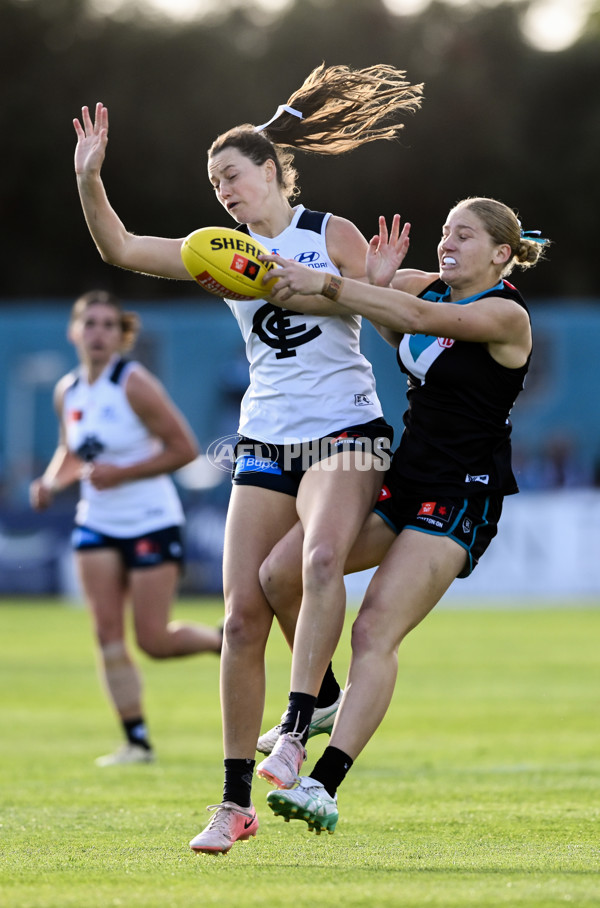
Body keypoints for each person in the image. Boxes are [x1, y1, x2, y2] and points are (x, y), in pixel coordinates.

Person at [71, 63, 424, 852]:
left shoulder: (331, 232)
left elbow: (359, 299)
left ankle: (298, 730)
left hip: (346, 431)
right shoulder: (215, 250)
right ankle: (233, 804)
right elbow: (121, 246)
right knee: (239, 618)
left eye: (232, 176)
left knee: (322, 557)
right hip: (264, 438)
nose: (223, 192)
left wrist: (305, 280)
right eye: (214, 184)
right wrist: (91, 179)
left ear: (270, 170)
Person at [256, 198, 549, 833]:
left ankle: (324, 785)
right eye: (444, 232)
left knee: (373, 631)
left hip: (461, 494)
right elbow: (395, 320)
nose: (447, 243)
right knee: (283, 573)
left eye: (464, 235)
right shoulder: (431, 287)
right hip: (405, 478)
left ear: (501, 253)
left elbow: (411, 314)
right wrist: (351, 283)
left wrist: (346, 284)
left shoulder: (506, 314)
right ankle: (324, 697)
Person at [30, 290, 223, 766]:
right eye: (89, 324)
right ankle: (136, 741)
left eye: (108, 325)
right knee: (106, 635)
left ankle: (224, 642)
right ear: (75, 332)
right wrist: (52, 482)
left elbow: (183, 448)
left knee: (153, 641)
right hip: (95, 522)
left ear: (121, 336)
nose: (98, 333)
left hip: (150, 520)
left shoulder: (134, 383)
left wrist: (123, 473)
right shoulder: (68, 390)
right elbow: (73, 451)